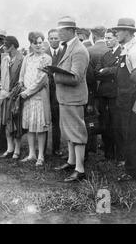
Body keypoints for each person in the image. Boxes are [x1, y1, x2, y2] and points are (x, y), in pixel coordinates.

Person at [52, 16, 89, 182]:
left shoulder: (79, 50)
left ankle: (80, 169)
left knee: (77, 133)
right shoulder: (69, 47)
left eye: (61, 31)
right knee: (69, 132)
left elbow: (76, 78)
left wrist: (54, 75)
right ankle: (71, 161)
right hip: (66, 98)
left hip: (73, 98)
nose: (58, 34)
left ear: (70, 31)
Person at [19, 32, 51, 166]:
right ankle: (32, 153)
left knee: (40, 126)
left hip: (39, 96)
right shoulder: (27, 57)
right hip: (27, 97)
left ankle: (41, 156)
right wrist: (21, 84)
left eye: (40, 42)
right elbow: (22, 74)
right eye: (35, 43)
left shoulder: (46, 58)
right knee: (30, 126)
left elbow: (42, 80)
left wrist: (28, 92)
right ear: (30, 44)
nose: (38, 45)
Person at [110, 18, 136, 181]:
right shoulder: (126, 48)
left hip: (130, 99)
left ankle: (131, 170)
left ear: (127, 32)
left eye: (118, 30)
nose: (116, 33)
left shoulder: (133, 50)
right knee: (128, 134)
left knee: (130, 134)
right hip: (125, 98)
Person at [0, 36, 24, 159]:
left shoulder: (22, 59)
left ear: (12, 46)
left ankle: (17, 150)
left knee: (15, 123)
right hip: (4, 95)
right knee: (7, 122)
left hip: (16, 96)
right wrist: (1, 87)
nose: (4, 47)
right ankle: (9, 148)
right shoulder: (5, 58)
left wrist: (12, 93)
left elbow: (22, 79)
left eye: (5, 45)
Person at [95, 29, 122, 160]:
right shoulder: (105, 55)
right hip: (104, 93)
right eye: (105, 38)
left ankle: (119, 154)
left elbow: (119, 71)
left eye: (109, 38)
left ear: (117, 38)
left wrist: (105, 70)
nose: (107, 40)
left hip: (116, 94)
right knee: (105, 123)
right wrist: (108, 71)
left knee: (116, 124)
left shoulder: (123, 53)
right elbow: (96, 72)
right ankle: (108, 153)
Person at [85, 26, 108, 156]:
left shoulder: (89, 50)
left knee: (91, 119)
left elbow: (89, 77)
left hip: (92, 92)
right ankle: (107, 147)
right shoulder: (109, 49)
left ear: (93, 36)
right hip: (107, 92)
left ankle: (90, 147)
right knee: (107, 119)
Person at [45, 29, 63, 156]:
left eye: (56, 38)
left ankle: (56, 148)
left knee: (57, 120)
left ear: (60, 39)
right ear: (48, 39)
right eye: (51, 38)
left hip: (59, 90)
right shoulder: (44, 54)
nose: (53, 41)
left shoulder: (65, 52)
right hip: (45, 90)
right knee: (45, 119)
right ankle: (43, 149)